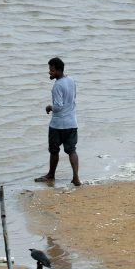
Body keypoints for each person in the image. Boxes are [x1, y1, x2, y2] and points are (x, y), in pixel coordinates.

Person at [35, 57, 81, 186]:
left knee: (54, 151)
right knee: (72, 150)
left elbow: (59, 106)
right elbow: (73, 98)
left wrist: (50, 107)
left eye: (52, 70)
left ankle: (51, 175)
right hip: (72, 123)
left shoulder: (57, 86)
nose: (50, 72)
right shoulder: (71, 81)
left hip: (58, 125)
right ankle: (76, 177)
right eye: (50, 70)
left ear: (59, 70)